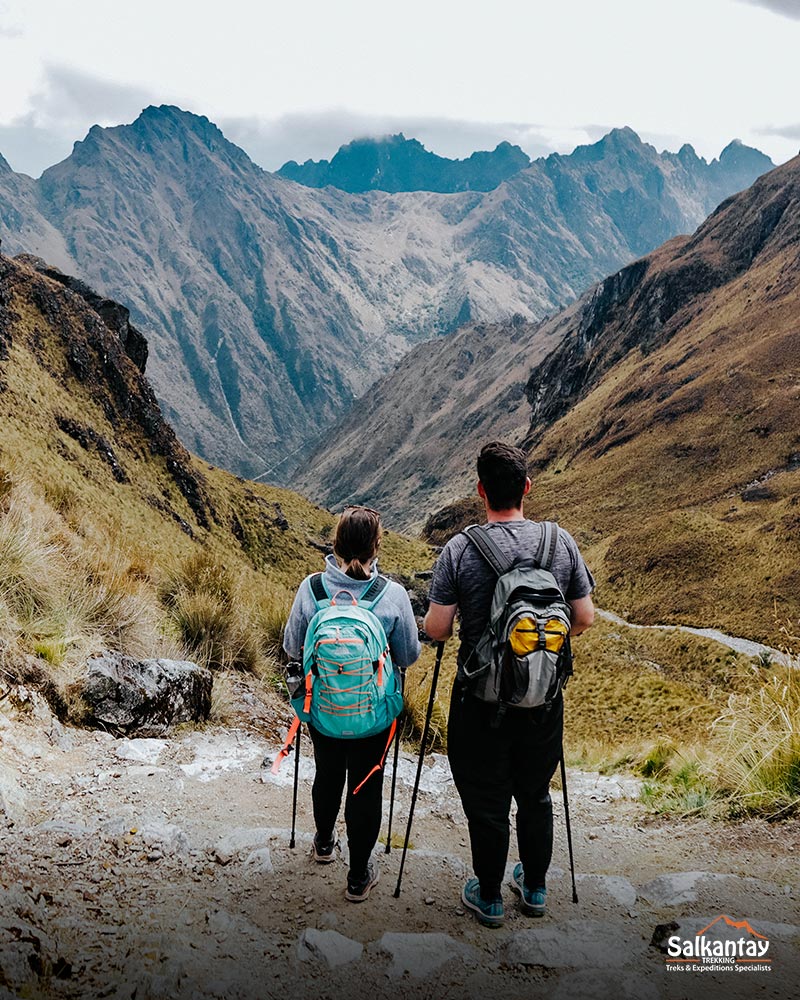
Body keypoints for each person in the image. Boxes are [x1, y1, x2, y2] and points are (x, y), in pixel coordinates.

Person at [423, 441, 595, 927]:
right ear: (527, 488)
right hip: (543, 698)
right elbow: (584, 616)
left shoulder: (461, 548)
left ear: (480, 491)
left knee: (488, 798)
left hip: (480, 700)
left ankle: (491, 895)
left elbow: (437, 629)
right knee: (536, 792)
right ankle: (536, 888)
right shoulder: (559, 543)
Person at [283, 505, 421, 902]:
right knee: (366, 785)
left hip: (323, 711)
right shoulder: (392, 595)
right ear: (377, 547)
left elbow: (293, 646)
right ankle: (359, 876)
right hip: (374, 716)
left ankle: (324, 844)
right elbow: (408, 656)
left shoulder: (312, 589)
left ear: (335, 544)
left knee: (328, 775)